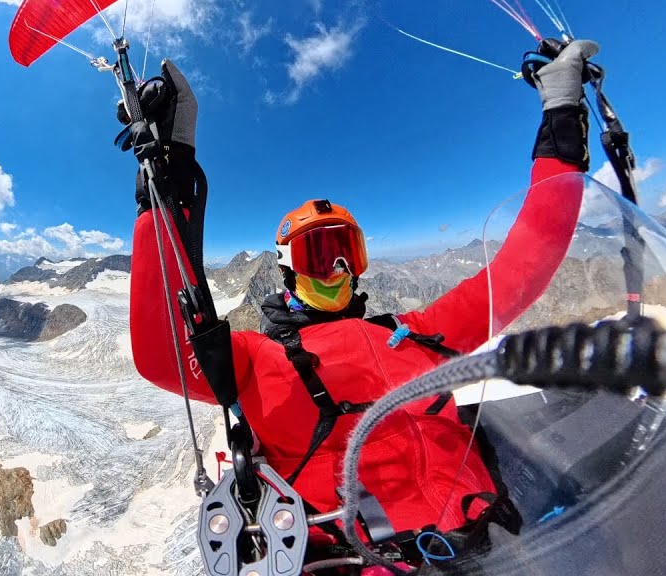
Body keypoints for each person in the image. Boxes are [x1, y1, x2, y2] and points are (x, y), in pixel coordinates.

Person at [123, 41, 598, 553]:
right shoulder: (255, 360)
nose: (338, 269)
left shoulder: (418, 332)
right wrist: (169, 177)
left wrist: (562, 119)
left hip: (496, 546)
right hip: (353, 558)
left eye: (346, 252)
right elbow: (163, 355)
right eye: (319, 254)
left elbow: (525, 266)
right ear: (287, 269)